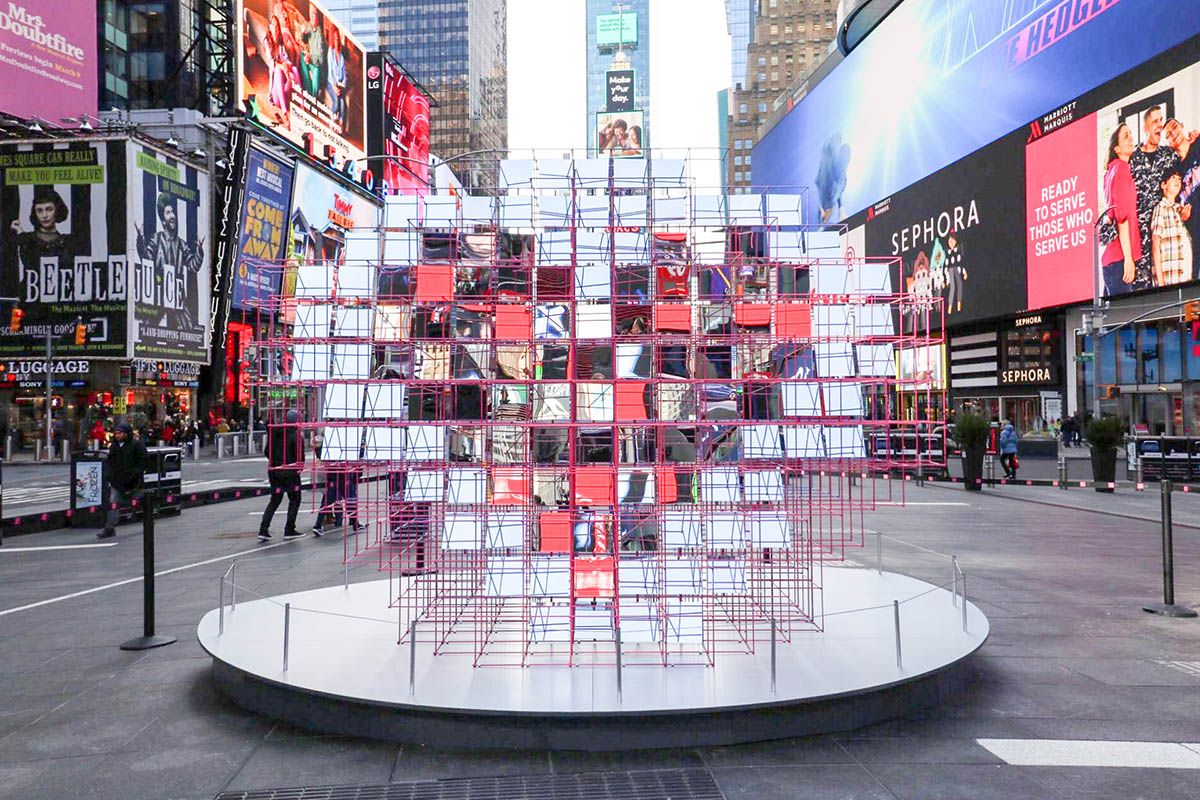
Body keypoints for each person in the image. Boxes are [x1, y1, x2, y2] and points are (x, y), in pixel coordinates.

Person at [135, 192, 205, 332]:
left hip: (177, 300)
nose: (172, 216)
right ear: (163, 220)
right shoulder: (156, 239)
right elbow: (146, 258)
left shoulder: (181, 244)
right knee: (148, 330)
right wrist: (140, 240)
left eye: (173, 212)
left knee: (188, 329)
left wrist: (199, 251)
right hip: (159, 297)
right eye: (168, 213)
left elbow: (193, 266)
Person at [1128, 106, 1179, 289]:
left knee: (1167, 294)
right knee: (1141, 297)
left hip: (1164, 240)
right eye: (1155, 121)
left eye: (1161, 120)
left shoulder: (1169, 155)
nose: (1160, 124)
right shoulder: (1132, 158)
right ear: (1146, 128)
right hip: (1139, 241)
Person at [1100, 124, 1141, 297]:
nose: (1131, 138)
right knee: (1125, 321)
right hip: (1119, 259)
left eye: (1131, 134)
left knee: (1110, 322)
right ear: (1116, 148)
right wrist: (1129, 260)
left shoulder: (1110, 172)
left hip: (1111, 261)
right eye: (1126, 136)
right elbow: (1122, 219)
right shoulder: (1122, 169)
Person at [259, 409, 305, 541]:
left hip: (274, 471)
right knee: (295, 499)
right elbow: (299, 456)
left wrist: (275, 462)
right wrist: (298, 467)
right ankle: (289, 529)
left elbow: (267, 451)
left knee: (275, 500)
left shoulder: (275, 433)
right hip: (290, 472)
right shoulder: (296, 435)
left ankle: (263, 528)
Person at [98, 422, 149, 539]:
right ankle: (109, 528)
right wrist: (109, 476)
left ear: (126, 434)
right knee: (113, 502)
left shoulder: (137, 444)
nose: (117, 435)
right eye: (116, 433)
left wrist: (136, 473)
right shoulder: (114, 446)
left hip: (134, 482)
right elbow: (110, 462)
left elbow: (143, 461)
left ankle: (147, 522)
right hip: (118, 482)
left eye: (120, 433)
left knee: (139, 503)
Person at [1164, 118, 1200, 280]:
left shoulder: (1198, 143)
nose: (1174, 134)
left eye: (1175, 127)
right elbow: (1176, 207)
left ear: (1183, 127)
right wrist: (1183, 218)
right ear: (1168, 143)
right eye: (1169, 135)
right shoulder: (1175, 171)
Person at [1151, 168, 1193, 287]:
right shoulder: (1161, 208)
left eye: (1179, 179)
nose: (1177, 181)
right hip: (1169, 278)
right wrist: (1161, 283)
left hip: (1184, 275)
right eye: (1173, 178)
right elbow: (1155, 245)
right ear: (1163, 185)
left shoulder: (1179, 209)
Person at [325, 28, 348, 132]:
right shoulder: (331, 51)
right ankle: (333, 120)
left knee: (343, 103)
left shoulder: (342, 56)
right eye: (334, 38)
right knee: (337, 101)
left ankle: (341, 125)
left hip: (340, 85)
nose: (336, 40)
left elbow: (344, 75)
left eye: (337, 38)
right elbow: (330, 72)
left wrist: (342, 86)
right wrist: (334, 87)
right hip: (331, 83)